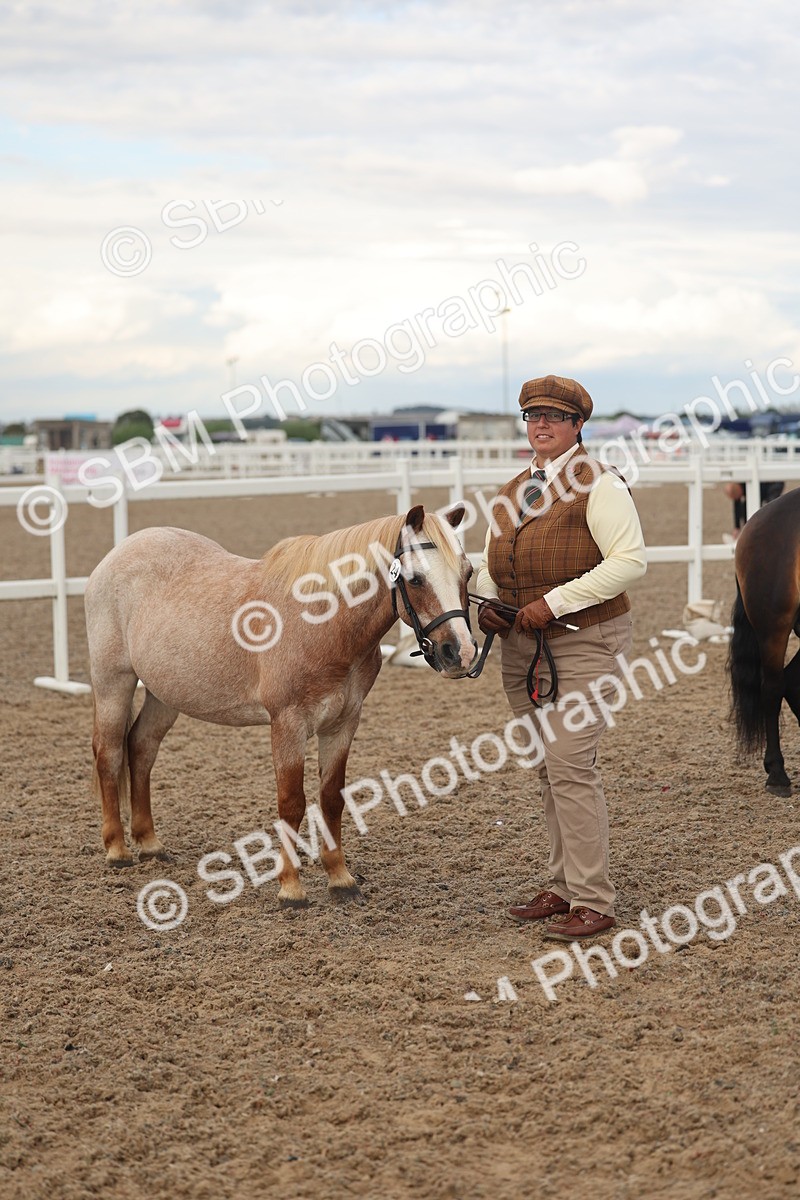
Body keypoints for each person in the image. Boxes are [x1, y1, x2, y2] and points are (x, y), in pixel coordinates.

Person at [476, 375, 647, 941]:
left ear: (578, 426)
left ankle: (594, 900)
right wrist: (489, 605)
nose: (541, 424)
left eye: (554, 416)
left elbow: (628, 562)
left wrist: (554, 601)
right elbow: (488, 564)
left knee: (571, 762)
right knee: (548, 768)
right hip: (523, 645)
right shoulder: (512, 489)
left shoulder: (600, 485)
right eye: (533, 416)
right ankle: (564, 886)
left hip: (585, 639)